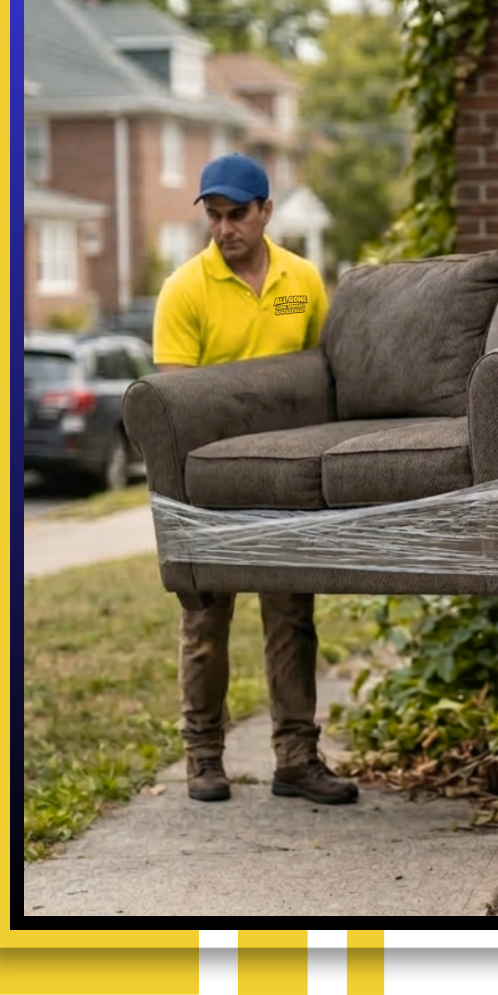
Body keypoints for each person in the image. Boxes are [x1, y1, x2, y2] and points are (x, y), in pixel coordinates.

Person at [152, 152, 358, 807]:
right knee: (206, 623)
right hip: (210, 482)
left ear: (267, 211)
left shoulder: (302, 280)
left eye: (236, 214)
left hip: (284, 480)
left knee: (292, 617)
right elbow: (173, 409)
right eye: (213, 216)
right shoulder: (185, 290)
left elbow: (320, 379)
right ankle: (203, 757)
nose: (223, 228)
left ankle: (296, 759)